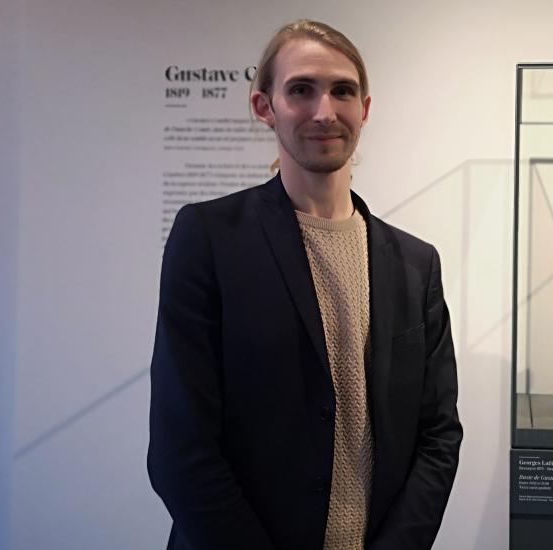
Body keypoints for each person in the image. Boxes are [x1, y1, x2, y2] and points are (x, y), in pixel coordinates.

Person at [147, 19, 462, 550]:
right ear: (263, 106)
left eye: (342, 90)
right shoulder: (209, 237)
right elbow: (181, 446)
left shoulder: (415, 262)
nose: (324, 111)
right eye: (301, 90)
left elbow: (438, 435)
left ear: (364, 108)